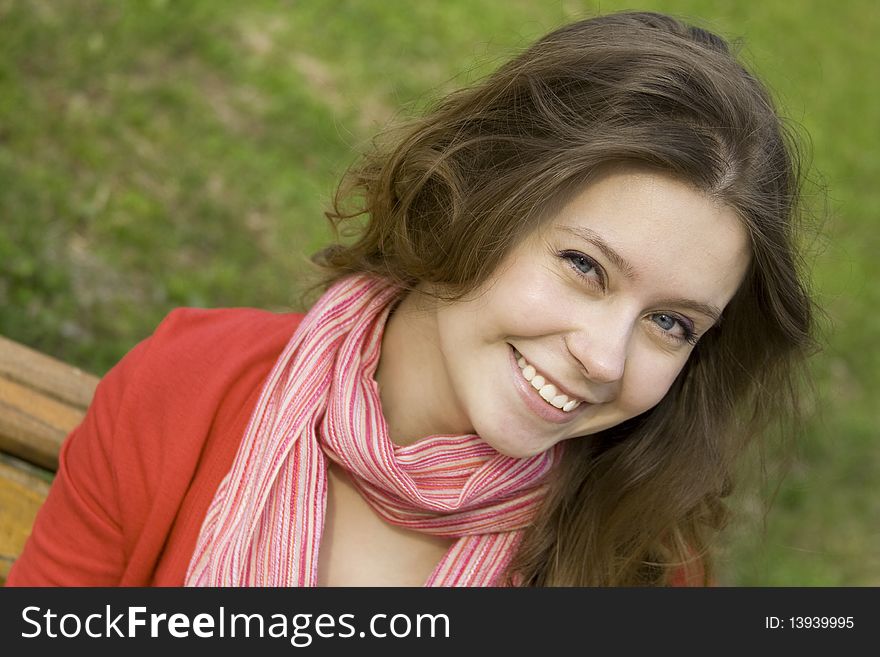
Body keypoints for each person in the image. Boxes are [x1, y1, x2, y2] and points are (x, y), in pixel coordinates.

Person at [7, 10, 817, 587]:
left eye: (671, 323)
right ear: (471, 196)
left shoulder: (641, 565)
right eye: (584, 266)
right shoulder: (188, 391)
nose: (605, 358)